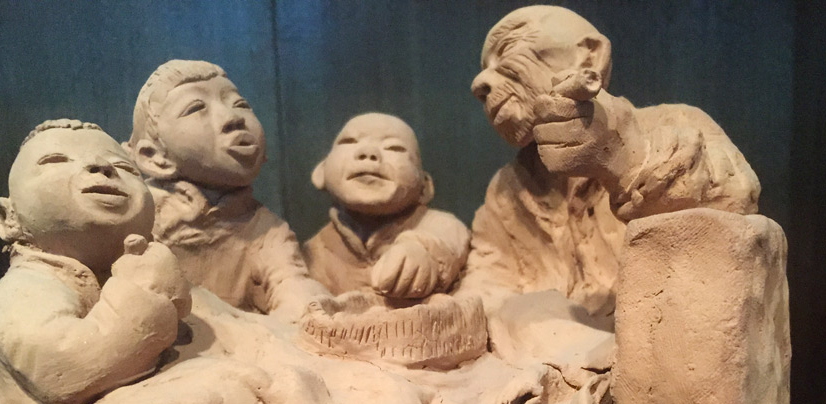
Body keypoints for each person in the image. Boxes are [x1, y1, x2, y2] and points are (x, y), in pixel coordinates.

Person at [462, 5, 760, 317]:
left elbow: (736, 202)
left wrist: (626, 160)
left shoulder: (676, 124)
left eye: (507, 49)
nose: (478, 84)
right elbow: (488, 275)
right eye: (484, 68)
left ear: (590, 56)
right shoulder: (508, 188)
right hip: (539, 344)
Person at [0, 119, 191, 404]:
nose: (102, 168)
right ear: (8, 217)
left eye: (125, 167)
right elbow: (69, 370)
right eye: (56, 161)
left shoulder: (134, 266)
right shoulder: (25, 290)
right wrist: (144, 291)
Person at [127, 60, 328, 321]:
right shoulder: (141, 216)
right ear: (153, 156)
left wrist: (308, 311)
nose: (233, 118)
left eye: (240, 104)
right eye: (196, 108)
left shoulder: (265, 230)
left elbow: (291, 284)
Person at [304, 113, 469, 299]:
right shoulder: (311, 254)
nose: (368, 153)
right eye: (349, 142)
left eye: (394, 148)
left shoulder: (439, 226)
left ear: (424, 187)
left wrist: (421, 250)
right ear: (321, 172)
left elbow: (450, 237)